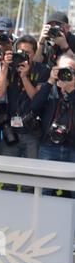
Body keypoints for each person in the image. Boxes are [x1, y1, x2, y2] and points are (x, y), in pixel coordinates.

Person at [0, 35, 50, 159]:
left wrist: (24, 77)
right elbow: (0, 93)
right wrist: (5, 66)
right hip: (11, 129)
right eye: (21, 52)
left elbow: (36, 99)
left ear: (34, 53)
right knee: (7, 172)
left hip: (31, 131)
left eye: (28, 53)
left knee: (31, 173)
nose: (24, 56)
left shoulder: (42, 70)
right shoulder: (10, 68)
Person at [31, 55, 75, 197]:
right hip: (49, 146)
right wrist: (50, 81)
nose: (66, 74)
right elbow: (34, 107)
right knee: (44, 190)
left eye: (70, 70)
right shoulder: (49, 89)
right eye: (62, 70)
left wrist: (71, 90)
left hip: (72, 147)